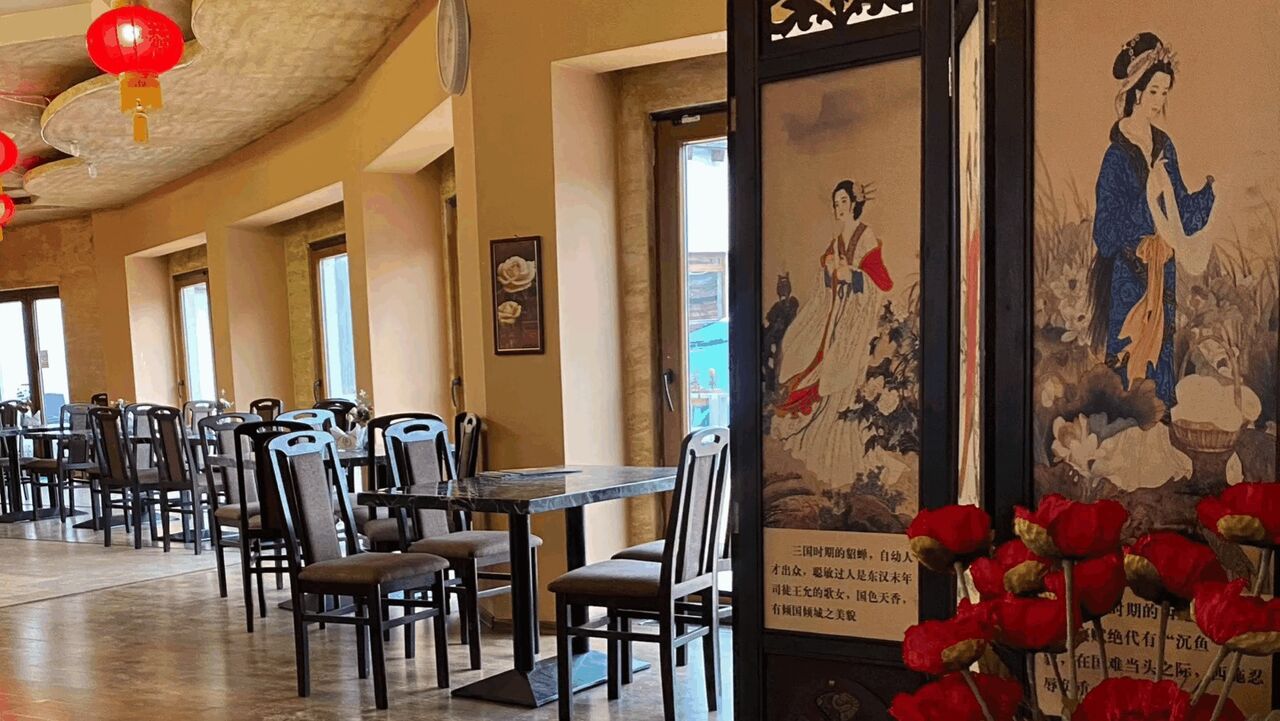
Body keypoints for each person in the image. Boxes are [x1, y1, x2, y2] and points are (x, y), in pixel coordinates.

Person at [1088, 32, 1215, 408]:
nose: (1159, 100)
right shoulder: (1116, 156)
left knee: (1161, 360)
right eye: (1154, 91)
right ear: (1137, 91)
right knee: (1128, 363)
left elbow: (1180, 213)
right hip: (1130, 274)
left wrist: (1211, 194)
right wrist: (1149, 196)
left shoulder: (1165, 145)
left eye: (1165, 92)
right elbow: (1105, 232)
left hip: (1164, 270)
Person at [771, 179, 893, 483]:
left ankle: (842, 445)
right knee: (812, 360)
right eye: (835, 202)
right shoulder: (837, 241)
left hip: (858, 323)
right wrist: (829, 272)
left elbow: (882, 284)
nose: (838, 207)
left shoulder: (866, 237)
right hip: (836, 318)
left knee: (844, 375)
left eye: (843, 201)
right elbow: (825, 284)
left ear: (854, 203)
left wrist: (853, 276)